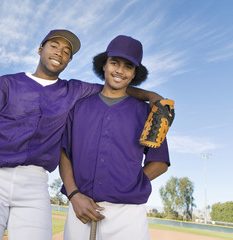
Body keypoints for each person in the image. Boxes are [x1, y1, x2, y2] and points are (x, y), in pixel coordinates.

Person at [0, 29, 163, 240]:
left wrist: (150, 96)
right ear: (41, 48)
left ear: (69, 60)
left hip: (34, 182)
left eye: (66, 51)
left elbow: (115, 88)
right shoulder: (7, 83)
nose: (59, 53)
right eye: (54, 46)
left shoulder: (74, 91)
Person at [59, 35, 171, 240]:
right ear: (104, 65)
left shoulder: (148, 112)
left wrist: (131, 183)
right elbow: (64, 153)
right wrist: (74, 195)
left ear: (135, 73)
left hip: (128, 214)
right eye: (114, 63)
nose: (120, 70)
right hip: (80, 208)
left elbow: (160, 162)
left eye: (128, 66)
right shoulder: (80, 105)